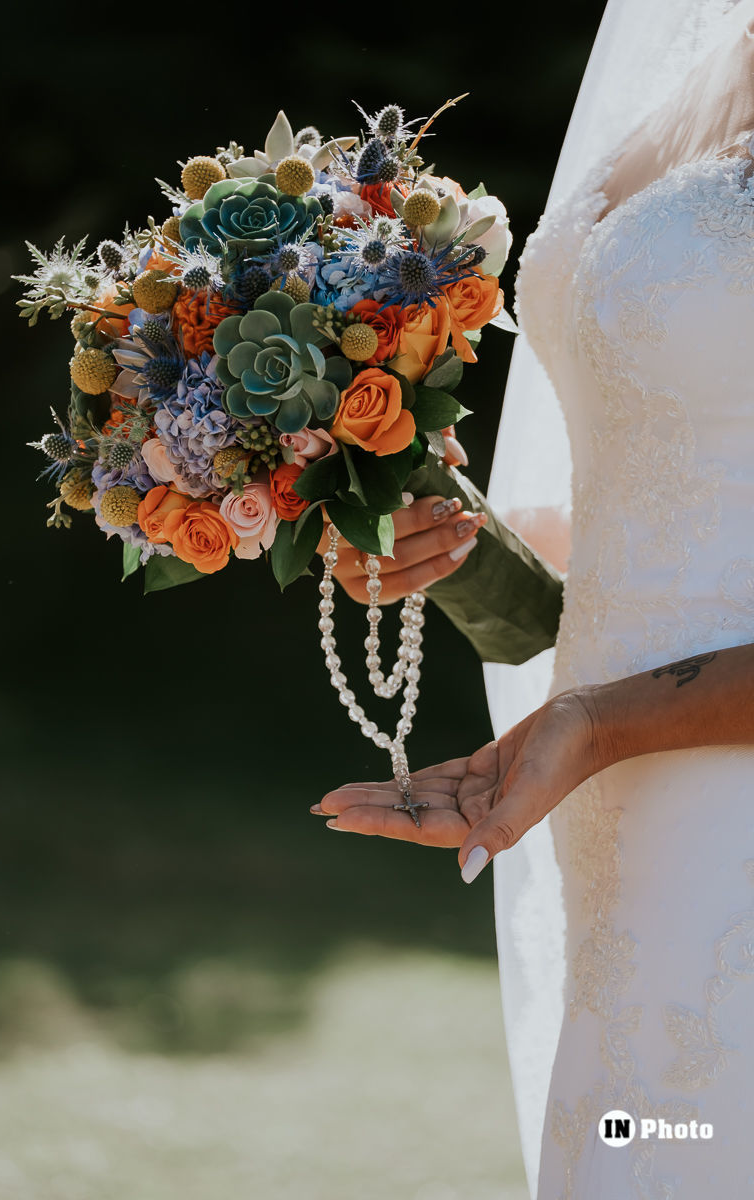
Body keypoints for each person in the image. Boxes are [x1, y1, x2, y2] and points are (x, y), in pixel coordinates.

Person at [312, 1, 754, 1195]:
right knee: (634, 1149)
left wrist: (603, 720)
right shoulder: (691, 61)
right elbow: (641, 534)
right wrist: (454, 546)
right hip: (615, 836)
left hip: (714, 813)